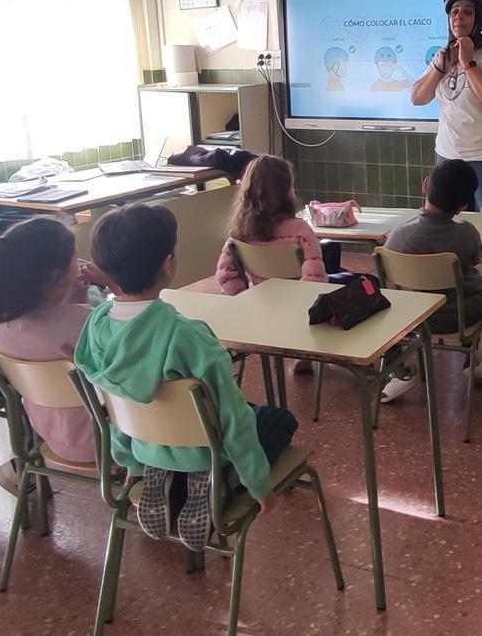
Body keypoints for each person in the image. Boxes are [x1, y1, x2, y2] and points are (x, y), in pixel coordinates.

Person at [74, 204, 297, 551]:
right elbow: (233, 419)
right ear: (168, 264)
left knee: (209, 411)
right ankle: (224, 478)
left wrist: (130, 462)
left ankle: (161, 475)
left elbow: (111, 405)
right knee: (279, 420)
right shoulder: (188, 336)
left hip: (145, 446)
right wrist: (259, 485)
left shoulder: (95, 327)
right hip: (206, 452)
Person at [410, 0, 482, 326]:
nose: (459, 17)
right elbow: (417, 98)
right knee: (447, 225)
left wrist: (468, 62)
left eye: (467, 12)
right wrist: (439, 66)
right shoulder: (442, 55)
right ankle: (456, 288)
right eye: (454, 11)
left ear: (479, 19)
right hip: (449, 154)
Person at [0, 217, 107, 492]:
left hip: (48, 438)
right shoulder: (86, 322)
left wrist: (76, 300)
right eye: (74, 256)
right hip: (107, 440)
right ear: (58, 275)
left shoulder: (3, 328)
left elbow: (56, 329)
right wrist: (113, 286)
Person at [378, 158, 482, 402]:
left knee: (390, 306)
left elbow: (386, 267)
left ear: (425, 184)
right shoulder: (467, 232)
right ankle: (470, 356)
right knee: (476, 290)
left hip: (419, 317)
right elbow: (474, 260)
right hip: (466, 312)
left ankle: (401, 369)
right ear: (463, 206)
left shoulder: (401, 234)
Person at [215, 154, 327, 295]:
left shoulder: (238, 232)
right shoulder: (301, 230)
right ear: (286, 191)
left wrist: (244, 297)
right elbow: (315, 278)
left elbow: (225, 275)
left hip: (260, 299)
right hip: (297, 301)